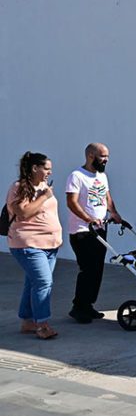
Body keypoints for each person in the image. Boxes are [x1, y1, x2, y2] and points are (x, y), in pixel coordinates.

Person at [5, 152, 63, 339]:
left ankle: (28, 321)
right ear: (34, 168)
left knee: (33, 282)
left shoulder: (44, 186)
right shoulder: (19, 187)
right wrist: (44, 197)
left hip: (50, 245)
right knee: (43, 282)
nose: (49, 172)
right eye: (46, 168)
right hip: (27, 244)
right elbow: (23, 212)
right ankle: (42, 325)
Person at [66, 143, 122, 323]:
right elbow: (71, 202)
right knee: (87, 269)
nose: (106, 160)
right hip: (82, 231)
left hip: (99, 230)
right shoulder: (77, 176)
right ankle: (78, 307)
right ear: (91, 155)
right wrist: (89, 219)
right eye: (103, 156)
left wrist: (113, 212)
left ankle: (88, 305)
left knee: (97, 269)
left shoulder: (102, 176)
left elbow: (107, 196)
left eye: (107, 157)